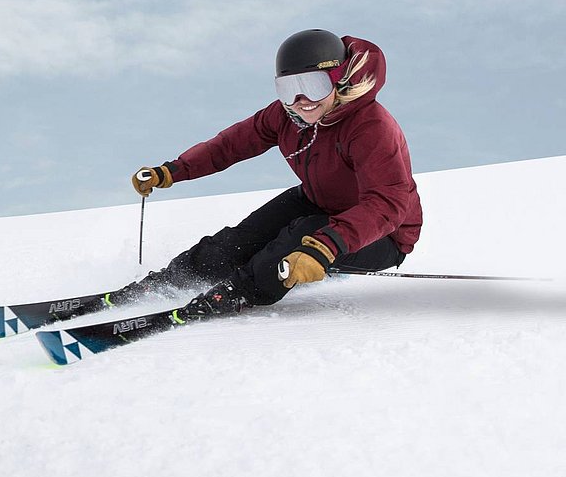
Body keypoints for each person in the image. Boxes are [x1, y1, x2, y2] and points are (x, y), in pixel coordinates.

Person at [116, 29, 422, 319]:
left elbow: (386, 203)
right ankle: (170, 281)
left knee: (300, 237)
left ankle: (238, 292)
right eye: (289, 89)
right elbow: (230, 145)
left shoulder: (371, 127)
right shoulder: (284, 116)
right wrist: (172, 170)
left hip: (384, 234)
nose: (301, 102)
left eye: (314, 86)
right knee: (238, 241)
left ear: (339, 80)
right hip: (319, 201)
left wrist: (328, 244)